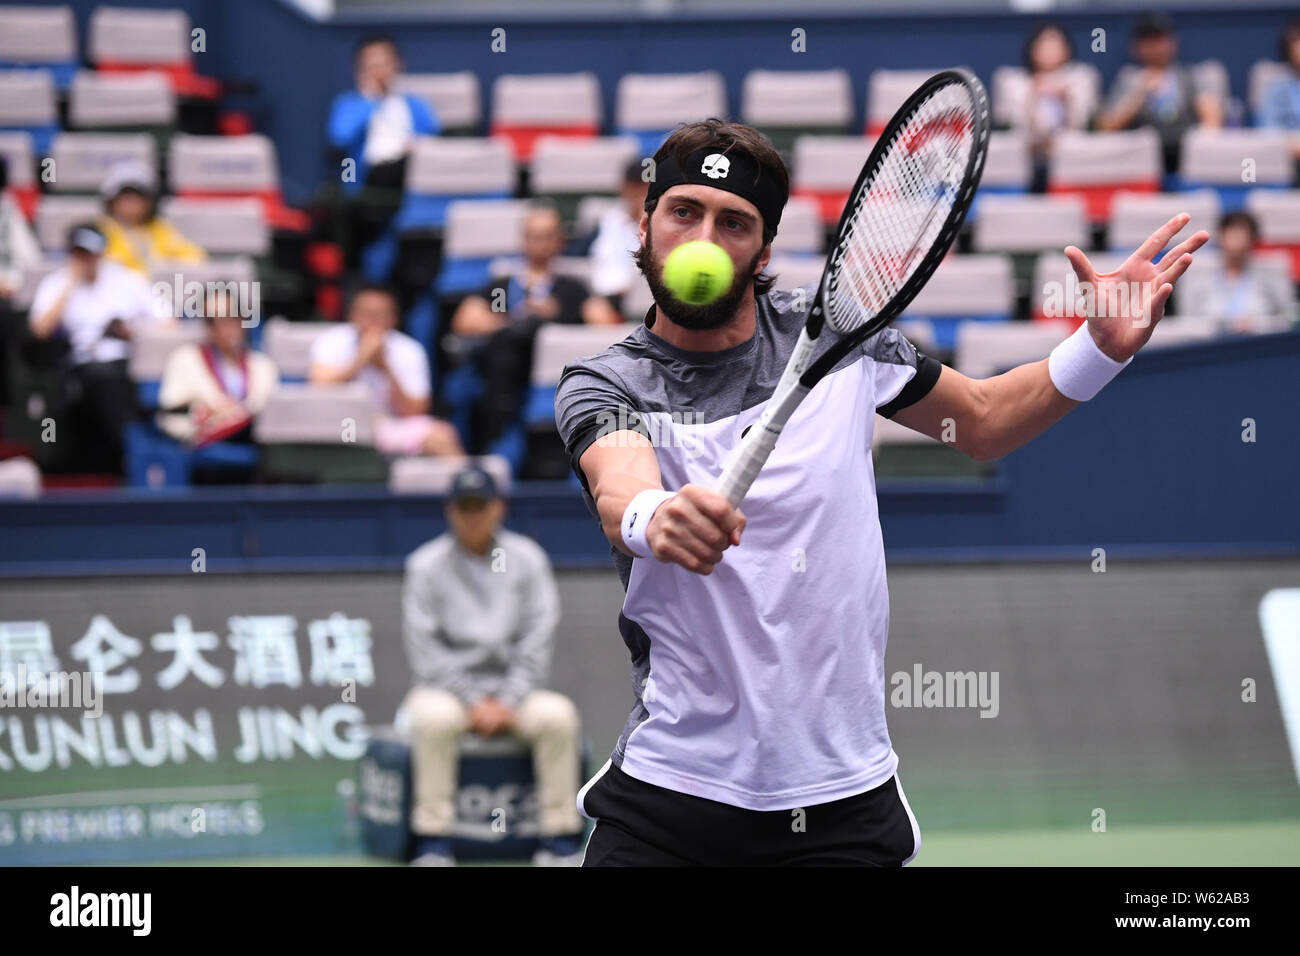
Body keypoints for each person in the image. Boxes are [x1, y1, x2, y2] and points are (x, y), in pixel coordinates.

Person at [553, 119, 1208, 866]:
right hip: (668, 800)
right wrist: (656, 515)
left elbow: (984, 423)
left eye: (733, 222)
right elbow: (619, 482)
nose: (704, 236)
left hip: (840, 802)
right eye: (684, 212)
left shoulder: (841, 333)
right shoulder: (604, 381)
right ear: (645, 223)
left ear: (762, 250)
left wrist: (1097, 350)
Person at [400, 465, 584, 866]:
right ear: (450, 511)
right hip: (445, 692)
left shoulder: (527, 559)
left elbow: (536, 640)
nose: (473, 515)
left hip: (514, 692)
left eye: (480, 505)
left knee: (558, 716)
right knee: (432, 718)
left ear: (498, 508)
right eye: (464, 506)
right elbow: (427, 649)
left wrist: (507, 699)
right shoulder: (424, 565)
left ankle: (560, 838)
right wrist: (473, 701)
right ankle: (433, 841)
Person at [451, 204, 620, 450]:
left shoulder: (571, 288)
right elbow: (465, 320)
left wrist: (559, 315)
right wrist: (516, 318)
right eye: (534, 236)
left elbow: (606, 324)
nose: (540, 243)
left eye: (547, 236)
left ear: (560, 241)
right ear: (524, 240)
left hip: (554, 379)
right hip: (505, 379)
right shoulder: (503, 287)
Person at [28, 224, 172, 474]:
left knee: (113, 380)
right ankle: (129, 457)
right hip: (79, 364)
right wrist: (71, 284)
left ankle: (129, 457)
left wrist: (132, 330)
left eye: (91, 253)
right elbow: (40, 330)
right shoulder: (57, 283)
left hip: (127, 359)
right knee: (102, 379)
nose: (86, 259)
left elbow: (168, 322)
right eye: (80, 253)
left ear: (102, 253)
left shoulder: (126, 279)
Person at [309, 284, 462, 457]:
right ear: (352, 315)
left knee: (441, 436)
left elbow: (416, 412)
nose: (373, 321)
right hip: (342, 422)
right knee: (349, 437)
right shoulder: (331, 341)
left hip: (387, 425)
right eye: (366, 314)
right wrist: (360, 360)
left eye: (381, 315)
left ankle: (471, 481)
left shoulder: (409, 349)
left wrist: (385, 368)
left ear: (394, 319)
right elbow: (318, 388)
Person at [1096, 12, 1223, 174]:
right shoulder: (1128, 79)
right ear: (1136, 47)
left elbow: (1212, 122)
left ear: (1173, 42)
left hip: (1186, 158)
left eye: (1161, 40)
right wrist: (1139, 95)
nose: (1156, 48)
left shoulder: (1192, 76)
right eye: (1148, 42)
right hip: (1140, 164)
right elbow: (1107, 127)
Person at [157, 288, 279, 452]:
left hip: (255, 446)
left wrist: (237, 413)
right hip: (204, 451)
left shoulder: (262, 365)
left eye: (231, 317)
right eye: (214, 320)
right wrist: (208, 411)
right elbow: (171, 412)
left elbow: (270, 414)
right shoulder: (185, 359)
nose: (225, 327)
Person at [326, 34, 438, 192]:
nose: (379, 72)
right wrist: (369, 100)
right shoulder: (349, 104)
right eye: (372, 65)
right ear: (360, 70)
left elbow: (433, 139)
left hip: (410, 173)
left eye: (385, 64)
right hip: (368, 175)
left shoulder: (414, 104)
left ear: (398, 65)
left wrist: (415, 145)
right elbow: (340, 138)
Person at [1008, 24, 1096, 192]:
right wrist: (1032, 96)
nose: (1049, 50)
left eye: (1055, 44)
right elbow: (1015, 128)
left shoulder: (1083, 79)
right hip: (1030, 159)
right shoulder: (1014, 83)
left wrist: (1066, 98)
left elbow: (1083, 124)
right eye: (1043, 44)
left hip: (1073, 160)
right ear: (1032, 50)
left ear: (1067, 49)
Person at [1176, 211, 1296, 333]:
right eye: (1232, 233)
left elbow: (1288, 317)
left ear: (1253, 239)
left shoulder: (1272, 274)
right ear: (1221, 236)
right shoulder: (1196, 277)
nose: (1237, 239)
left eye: (1242, 234)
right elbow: (1187, 323)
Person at [99, 161, 205, 275]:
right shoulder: (102, 231)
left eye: (137, 198)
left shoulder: (160, 229)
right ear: (111, 202)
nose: (131, 205)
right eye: (125, 198)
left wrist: (166, 265)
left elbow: (195, 257)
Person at [588, 159, 650, 309]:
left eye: (646, 188)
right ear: (623, 188)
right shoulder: (606, 222)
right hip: (609, 298)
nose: (640, 195)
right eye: (635, 187)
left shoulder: (662, 224)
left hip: (648, 297)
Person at [1256, 15, 1300, 177]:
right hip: (1288, 164)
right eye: (1297, 41)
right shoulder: (1276, 87)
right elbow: (1267, 131)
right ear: (1288, 48)